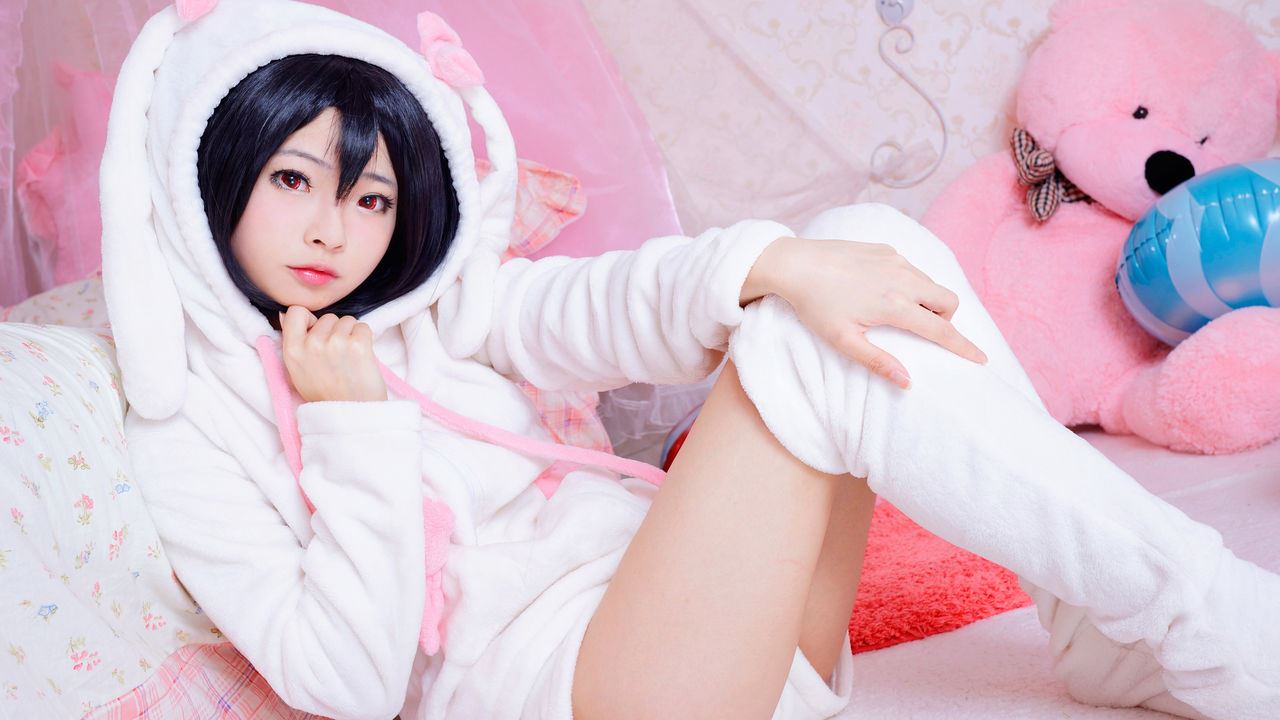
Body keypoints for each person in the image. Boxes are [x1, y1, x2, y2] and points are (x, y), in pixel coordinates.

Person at [100, 1, 1278, 719]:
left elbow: (607, 302)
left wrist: (776, 264)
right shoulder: (190, 420)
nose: (331, 231)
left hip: (717, 639)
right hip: (582, 694)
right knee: (807, 343)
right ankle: (1207, 616)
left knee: (861, 246)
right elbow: (344, 682)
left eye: (368, 197)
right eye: (291, 180)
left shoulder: (433, 311)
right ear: (212, 174)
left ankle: (1102, 628)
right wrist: (347, 426)